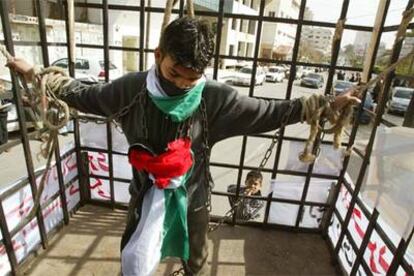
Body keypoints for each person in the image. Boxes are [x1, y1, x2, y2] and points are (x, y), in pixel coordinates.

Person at [7, 17, 359, 276]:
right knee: (133, 256)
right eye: (174, 73)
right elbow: (82, 94)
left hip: (194, 196)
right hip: (145, 191)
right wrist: (34, 74)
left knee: (197, 262)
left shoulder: (216, 99)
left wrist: (326, 104)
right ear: (158, 54)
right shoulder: (130, 90)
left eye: (191, 79)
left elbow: (270, 111)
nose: (180, 85)